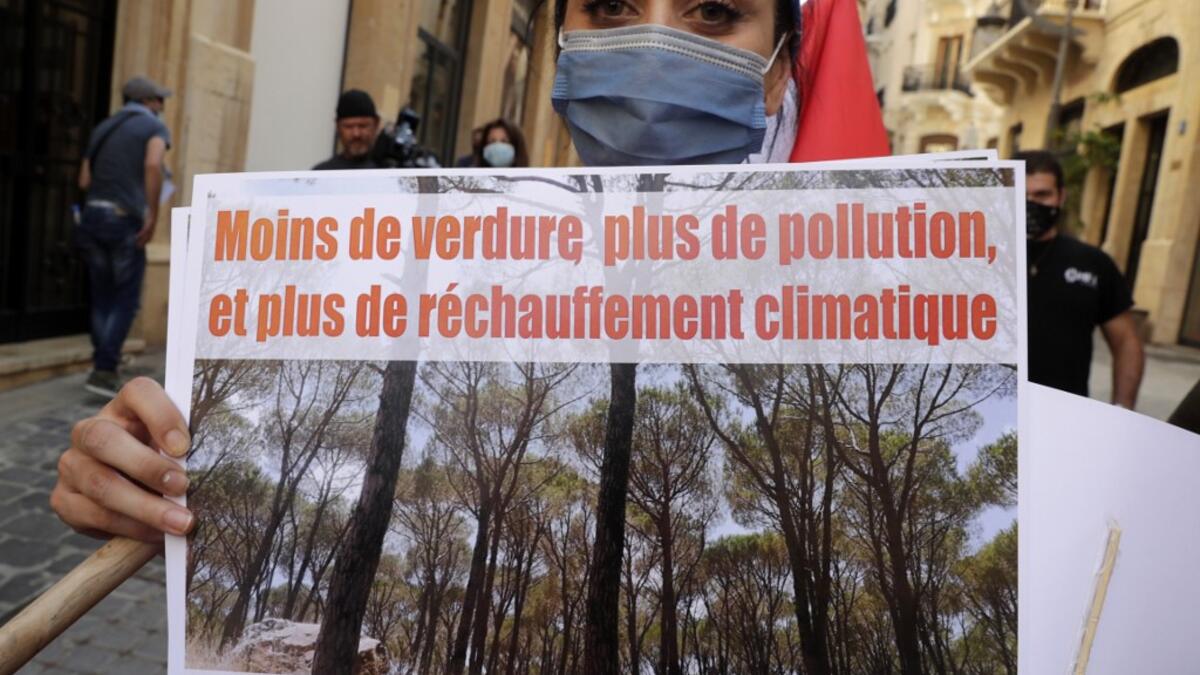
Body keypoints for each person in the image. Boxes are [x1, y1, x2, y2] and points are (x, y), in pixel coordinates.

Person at [50, 0, 887, 546]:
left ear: (781, 67)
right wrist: (152, 474)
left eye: (714, 11)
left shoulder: (901, 312)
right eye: (611, 6)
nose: (654, 51)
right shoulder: (419, 270)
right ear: (565, 43)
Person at [1019, 150, 1145, 408]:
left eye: (1042, 195)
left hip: (1067, 414)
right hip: (993, 412)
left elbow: (1126, 341)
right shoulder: (974, 259)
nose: (1030, 203)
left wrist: (1122, 411)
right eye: (1020, 195)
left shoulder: (1093, 263)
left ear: (1061, 196)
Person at [76, 75, 172, 399]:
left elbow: (84, 179)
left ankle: (105, 363)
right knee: (126, 298)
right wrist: (152, 214)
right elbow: (153, 164)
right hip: (123, 219)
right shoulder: (154, 127)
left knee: (102, 294)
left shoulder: (103, 128)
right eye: (159, 100)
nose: (162, 106)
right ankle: (104, 370)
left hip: (92, 216)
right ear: (148, 102)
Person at [312, 89, 382, 170]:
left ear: (376, 124)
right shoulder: (322, 173)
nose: (356, 134)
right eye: (348, 127)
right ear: (338, 126)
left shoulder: (390, 171)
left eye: (362, 126)